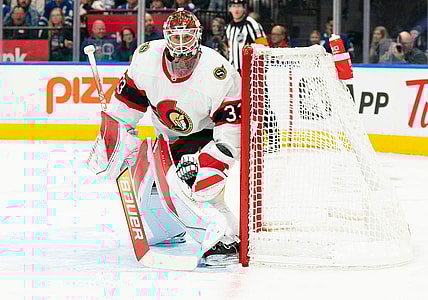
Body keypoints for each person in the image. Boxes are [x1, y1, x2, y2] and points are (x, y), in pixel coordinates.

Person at [86, 8, 241, 267]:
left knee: (196, 187)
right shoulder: (146, 58)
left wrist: (210, 163)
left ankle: (227, 239)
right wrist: (115, 138)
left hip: (204, 137)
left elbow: (230, 133)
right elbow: (127, 104)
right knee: (146, 198)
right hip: (164, 137)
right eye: (176, 39)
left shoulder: (219, 72)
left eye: (187, 38)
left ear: (198, 38)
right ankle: (169, 230)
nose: (181, 48)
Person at [225, 0, 268, 73]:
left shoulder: (252, 24)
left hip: (249, 71)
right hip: (233, 70)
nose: (236, 9)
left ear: (244, 9)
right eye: (233, 6)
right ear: (230, 9)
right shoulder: (229, 27)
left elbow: (263, 46)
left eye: (239, 6)